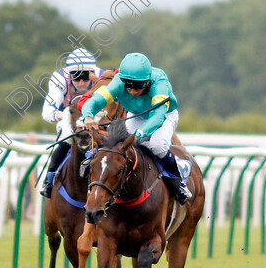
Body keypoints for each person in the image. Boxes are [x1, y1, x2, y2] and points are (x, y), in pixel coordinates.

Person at [81, 52, 192, 205]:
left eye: (138, 86)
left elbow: (157, 117)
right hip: (136, 114)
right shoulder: (118, 81)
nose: (133, 92)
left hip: (164, 114)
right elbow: (94, 101)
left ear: (147, 81)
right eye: (129, 86)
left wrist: (138, 135)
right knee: (119, 146)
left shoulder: (159, 80)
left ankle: (179, 184)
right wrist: (88, 116)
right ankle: (93, 161)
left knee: (157, 146)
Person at [39, 47, 104, 197]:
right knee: (66, 136)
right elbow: (47, 112)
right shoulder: (59, 79)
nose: (81, 81)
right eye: (76, 76)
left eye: (85, 76)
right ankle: (48, 180)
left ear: (92, 74)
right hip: (69, 120)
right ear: (69, 75)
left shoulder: (101, 78)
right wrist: (67, 116)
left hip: (95, 119)